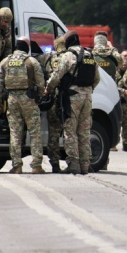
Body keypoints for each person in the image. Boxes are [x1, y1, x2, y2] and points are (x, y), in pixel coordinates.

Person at [45, 30, 100, 175]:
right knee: (84, 132)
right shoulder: (90, 55)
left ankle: (74, 164)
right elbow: (97, 78)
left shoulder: (68, 56)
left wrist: (48, 89)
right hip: (87, 98)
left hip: (72, 98)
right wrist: (88, 90)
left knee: (70, 131)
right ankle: (85, 165)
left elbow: (56, 76)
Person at [0, 36, 45, 174]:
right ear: (26, 47)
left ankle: (17, 166)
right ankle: (36, 166)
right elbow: (41, 83)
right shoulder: (32, 62)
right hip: (29, 99)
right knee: (34, 133)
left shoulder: (5, 62)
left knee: (15, 133)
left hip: (11, 99)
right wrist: (41, 96)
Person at [33, 35, 67, 173]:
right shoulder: (70, 57)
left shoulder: (47, 57)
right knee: (71, 132)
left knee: (53, 133)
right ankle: (74, 161)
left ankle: (55, 164)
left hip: (53, 99)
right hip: (67, 99)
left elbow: (34, 59)